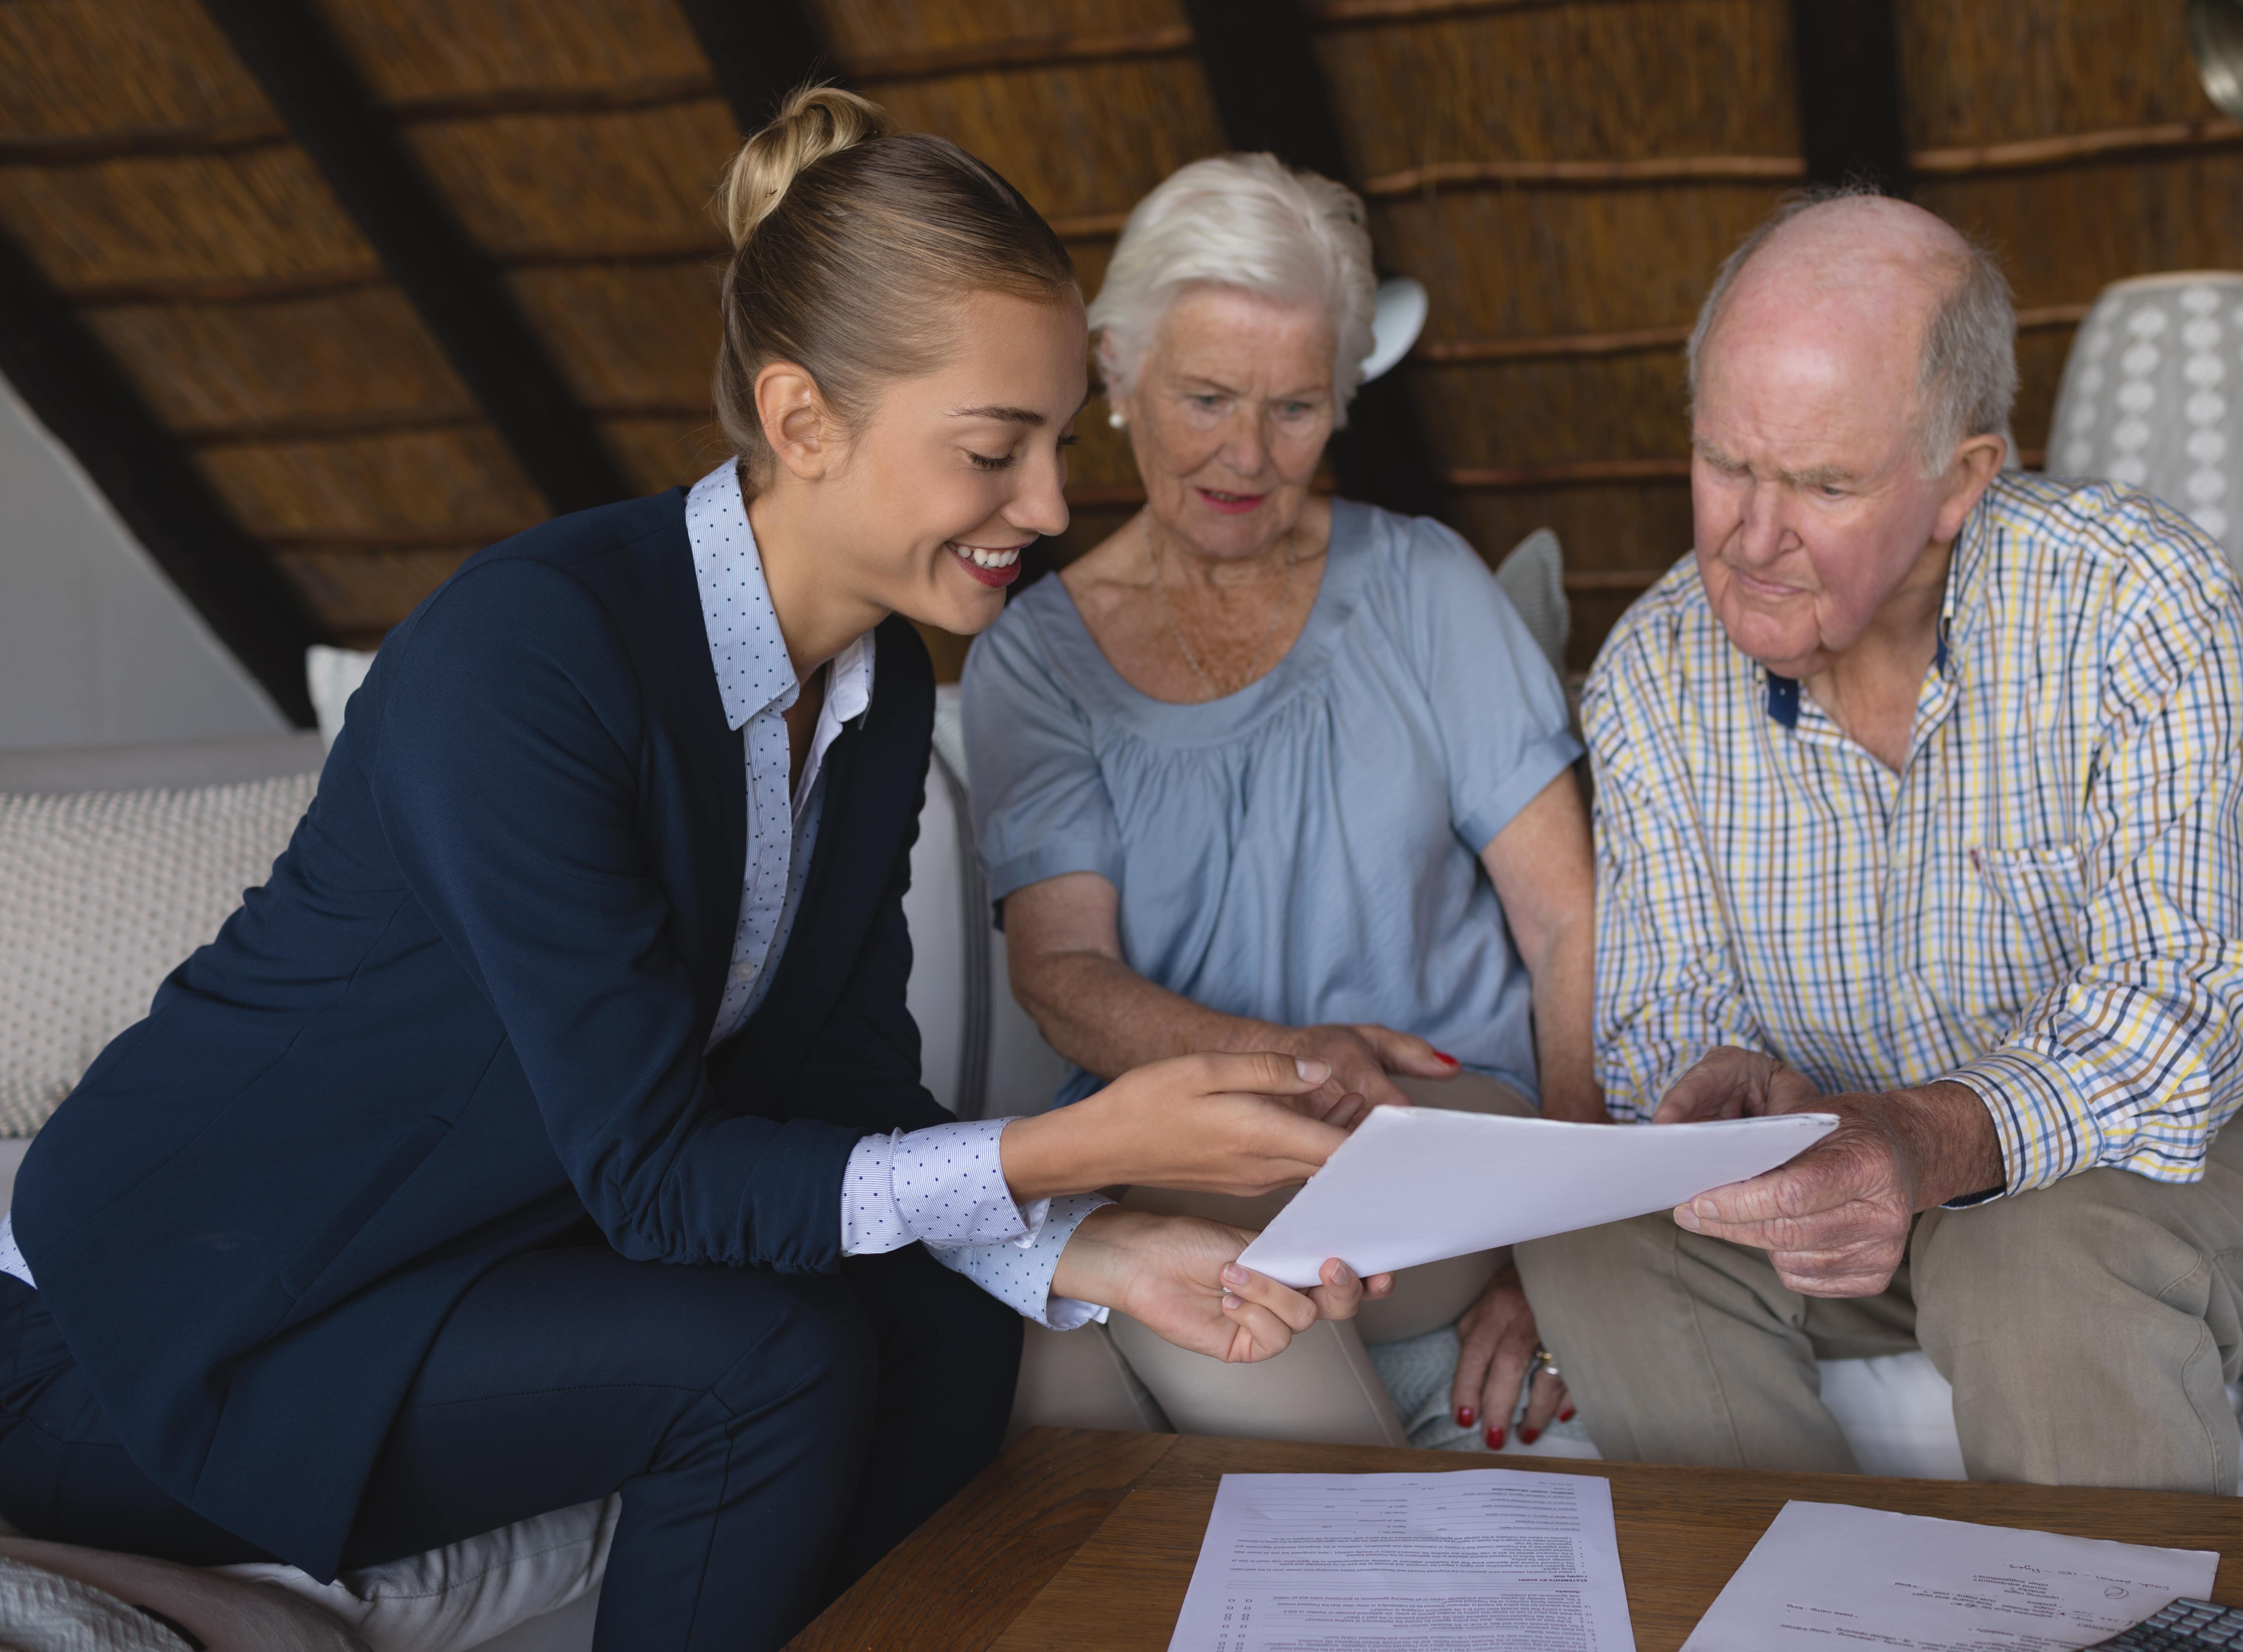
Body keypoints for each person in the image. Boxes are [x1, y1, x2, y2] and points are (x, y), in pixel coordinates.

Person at [0, 91, 1391, 1652]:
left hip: (455, 1265)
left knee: (937, 1313)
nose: (1055, 507)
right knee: (762, 1360)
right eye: (997, 449)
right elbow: (655, 1174)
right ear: (803, 423)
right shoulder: (529, 661)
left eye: (1058, 442)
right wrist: (1063, 1154)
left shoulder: (872, 704)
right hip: (151, 1332)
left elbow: (839, 1102)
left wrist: (1096, 1247)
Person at [1516, 187, 2243, 1493]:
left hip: (2226, 1128)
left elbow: (2179, 1002)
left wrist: (1921, 1142)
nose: (1750, 539)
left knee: (2028, 1257)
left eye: (1824, 483)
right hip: (1851, 1162)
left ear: (1961, 483)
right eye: (1726, 462)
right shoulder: (1654, 672)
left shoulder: (2131, 597)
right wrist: (1718, 1089)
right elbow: (1661, 1009)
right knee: (1599, 1238)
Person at [964, 153, 1598, 1454]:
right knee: (1043, 1350)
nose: (1247, 455)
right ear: (1117, 376)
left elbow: (1568, 928)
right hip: (1178, 1135)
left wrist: (1579, 1233)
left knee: (1198, 1265)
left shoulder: (1423, 586)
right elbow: (1063, 973)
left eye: (1296, 406)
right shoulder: (1034, 660)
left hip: (1439, 1117)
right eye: (1204, 396)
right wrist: (1289, 1064)